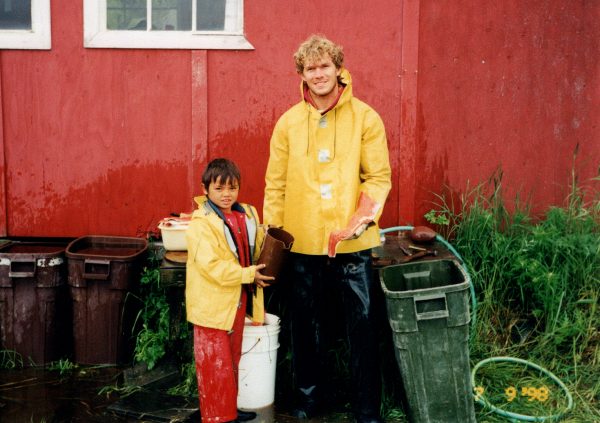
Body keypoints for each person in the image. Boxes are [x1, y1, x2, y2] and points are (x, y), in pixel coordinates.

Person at [263, 35, 392, 423]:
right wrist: (274, 238)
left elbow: (378, 178)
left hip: (353, 244)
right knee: (305, 327)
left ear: (338, 68)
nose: (318, 74)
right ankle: (308, 401)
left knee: (364, 328)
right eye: (310, 68)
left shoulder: (366, 118)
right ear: (301, 74)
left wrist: (361, 218)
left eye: (325, 66)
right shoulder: (287, 123)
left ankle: (367, 410)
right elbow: (276, 186)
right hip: (302, 245)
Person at [186, 158, 274, 423]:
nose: (227, 194)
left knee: (231, 361)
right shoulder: (201, 223)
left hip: (236, 301)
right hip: (211, 307)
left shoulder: (246, 213)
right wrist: (248, 274)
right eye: (219, 188)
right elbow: (212, 266)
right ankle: (218, 418)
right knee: (214, 365)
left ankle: (228, 411)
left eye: (232, 188)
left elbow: (251, 245)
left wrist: (267, 239)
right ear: (205, 189)